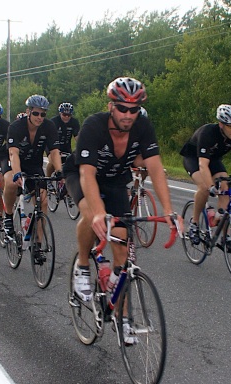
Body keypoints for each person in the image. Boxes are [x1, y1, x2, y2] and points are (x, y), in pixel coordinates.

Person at [65, 77, 181, 342]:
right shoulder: (93, 126)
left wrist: (169, 211)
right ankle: (82, 266)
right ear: (111, 106)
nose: (128, 115)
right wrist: (98, 213)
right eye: (122, 108)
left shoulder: (143, 126)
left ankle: (123, 317)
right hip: (82, 175)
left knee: (123, 252)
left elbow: (155, 167)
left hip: (116, 181)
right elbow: (87, 174)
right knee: (90, 213)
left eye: (134, 109)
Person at [180, 104, 231, 249]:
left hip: (214, 159)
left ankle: (226, 236)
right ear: (221, 124)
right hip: (194, 158)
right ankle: (194, 224)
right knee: (204, 188)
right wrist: (211, 186)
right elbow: (203, 165)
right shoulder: (208, 133)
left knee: (225, 187)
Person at [1, 95, 63, 240]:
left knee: (43, 202)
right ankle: (8, 216)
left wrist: (60, 171)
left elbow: (54, 151)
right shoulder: (16, 127)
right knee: (11, 182)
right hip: (12, 160)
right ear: (28, 112)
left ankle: (39, 243)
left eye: (43, 114)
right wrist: (17, 173)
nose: (39, 117)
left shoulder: (49, 127)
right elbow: (13, 153)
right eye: (36, 113)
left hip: (34, 163)